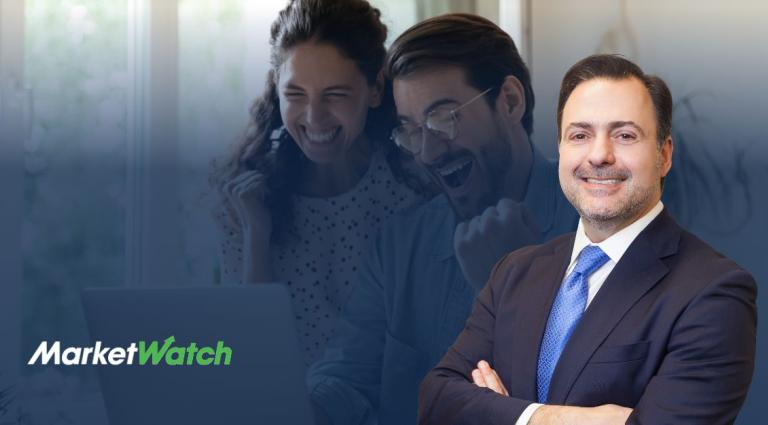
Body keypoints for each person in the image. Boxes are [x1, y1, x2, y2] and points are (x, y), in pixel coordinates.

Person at [418, 54, 757, 425]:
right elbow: (438, 400)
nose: (599, 155)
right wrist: (546, 419)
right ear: (560, 150)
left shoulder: (714, 293)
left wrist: (497, 412)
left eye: (625, 135)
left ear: (664, 155)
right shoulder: (513, 272)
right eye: (580, 135)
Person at [307, 14, 578, 425]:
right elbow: (347, 380)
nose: (428, 152)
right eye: (411, 130)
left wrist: (510, 285)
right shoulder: (399, 245)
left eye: (442, 118)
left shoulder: (596, 224)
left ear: (509, 101)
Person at [212, 0, 425, 365]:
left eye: (335, 94)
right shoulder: (249, 201)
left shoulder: (414, 191)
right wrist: (256, 238)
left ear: (375, 89)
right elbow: (251, 353)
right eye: (295, 95)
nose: (314, 117)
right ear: (276, 88)